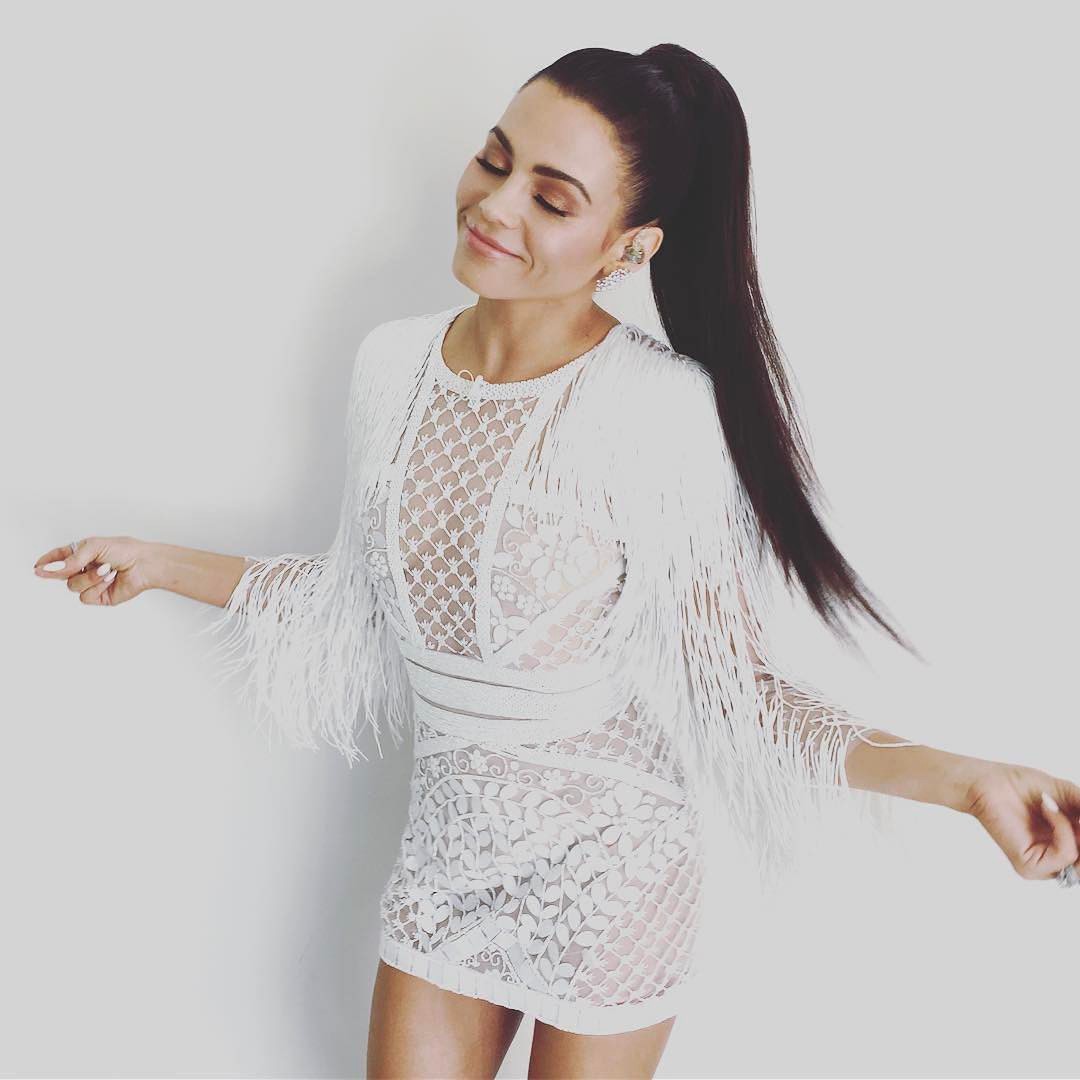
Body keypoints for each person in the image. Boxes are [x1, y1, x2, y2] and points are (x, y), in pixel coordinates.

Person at [33, 44, 1080, 1080]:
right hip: (445, 859)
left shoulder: (660, 410)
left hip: (612, 873)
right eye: (494, 160)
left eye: (551, 197)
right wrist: (157, 562)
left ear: (629, 247)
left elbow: (742, 693)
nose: (495, 207)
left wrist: (967, 782)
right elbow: (357, 598)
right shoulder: (389, 363)